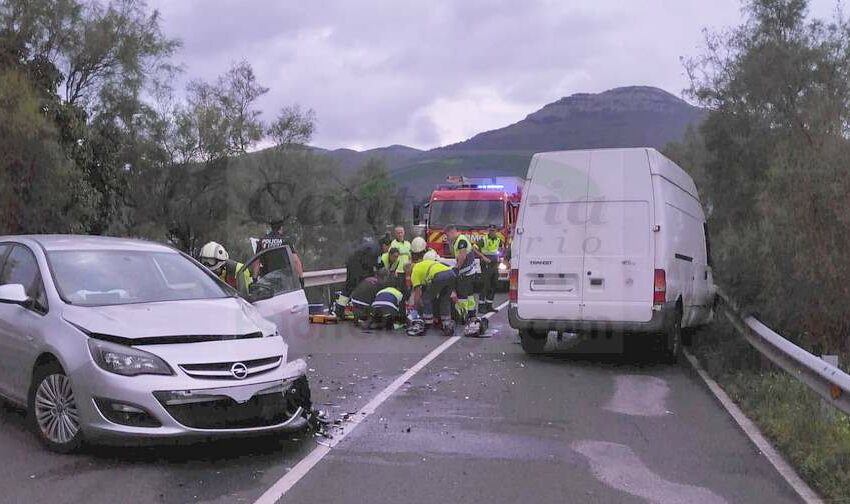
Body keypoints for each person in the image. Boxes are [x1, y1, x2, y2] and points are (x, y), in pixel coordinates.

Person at [408, 236, 457, 336]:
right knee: (444, 299)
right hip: (451, 274)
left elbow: (417, 294)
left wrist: (416, 309)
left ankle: (428, 322)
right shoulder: (429, 257)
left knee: (426, 298)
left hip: (439, 277)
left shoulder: (415, 271)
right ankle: (446, 323)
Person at [334, 235, 391, 317]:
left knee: (348, 287)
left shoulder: (377, 248)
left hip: (354, 264)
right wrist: (369, 276)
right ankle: (351, 310)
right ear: (384, 245)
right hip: (356, 266)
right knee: (355, 286)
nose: (388, 250)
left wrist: (383, 269)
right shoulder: (375, 250)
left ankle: (339, 310)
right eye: (388, 247)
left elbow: (378, 263)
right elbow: (368, 263)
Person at [445, 224, 481, 331]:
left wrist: (457, 268)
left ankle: (462, 316)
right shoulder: (458, 240)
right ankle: (471, 314)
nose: (447, 238)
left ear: (452, 232)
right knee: (469, 295)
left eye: (448, 235)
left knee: (462, 296)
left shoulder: (461, 241)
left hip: (465, 274)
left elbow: (462, 256)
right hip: (469, 273)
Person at [477, 224, 503, 313]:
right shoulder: (484, 239)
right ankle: (481, 307)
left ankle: (489, 306)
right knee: (485, 285)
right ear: (488, 230)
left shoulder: (499, 240)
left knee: (493, 285)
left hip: (495, 264)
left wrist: (500, 258)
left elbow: (500, 250)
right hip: (486, 264)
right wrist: (483, 257)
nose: (492, 232)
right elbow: (474, 248)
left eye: (493, 230)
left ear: (496, 231)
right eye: (490, 230)